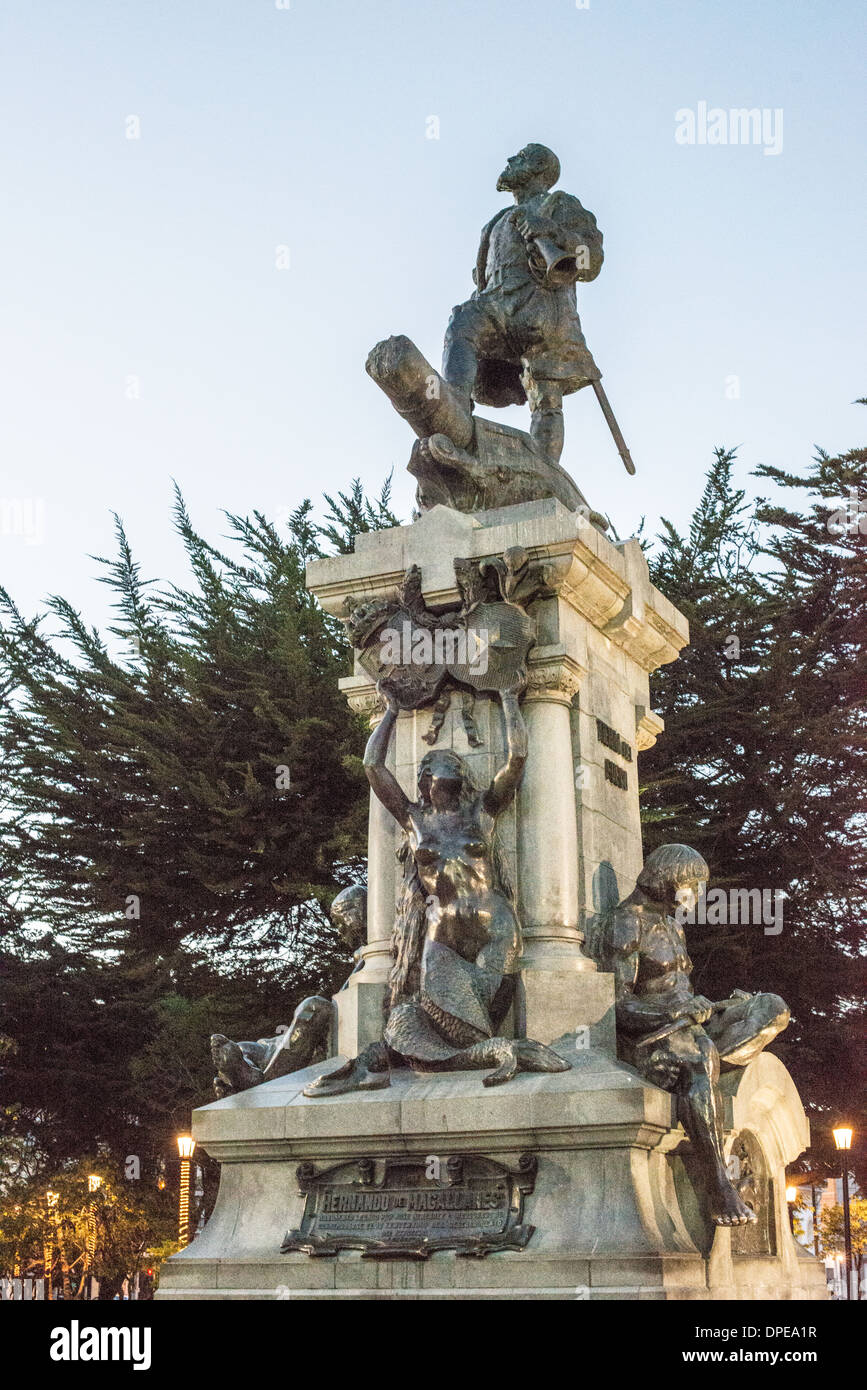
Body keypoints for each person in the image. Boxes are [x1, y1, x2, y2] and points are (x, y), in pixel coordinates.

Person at [600, 843, 790, 1227]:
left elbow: (680, 988)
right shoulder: (626, 923)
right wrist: (675, 1011)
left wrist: (704, 1005)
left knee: (772, 1007)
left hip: (691, 1022)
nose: (700, 895)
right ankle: (720, 1184)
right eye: (694, 886)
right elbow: (615, 1006)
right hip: (654, 1032)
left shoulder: (672, 923)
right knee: (698, 1060)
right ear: (670, 880)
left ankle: (716, 1055)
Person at [442, 143, 603, 465]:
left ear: (539, 168)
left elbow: (592, 259)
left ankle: (545, 469)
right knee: (461, 327)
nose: (509, 160)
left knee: (546, 395)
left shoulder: (561, 204)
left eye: (521, 158)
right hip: (495, 303)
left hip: (541, 312)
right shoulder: (497, 220)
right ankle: (452, 409)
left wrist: (553, 231)